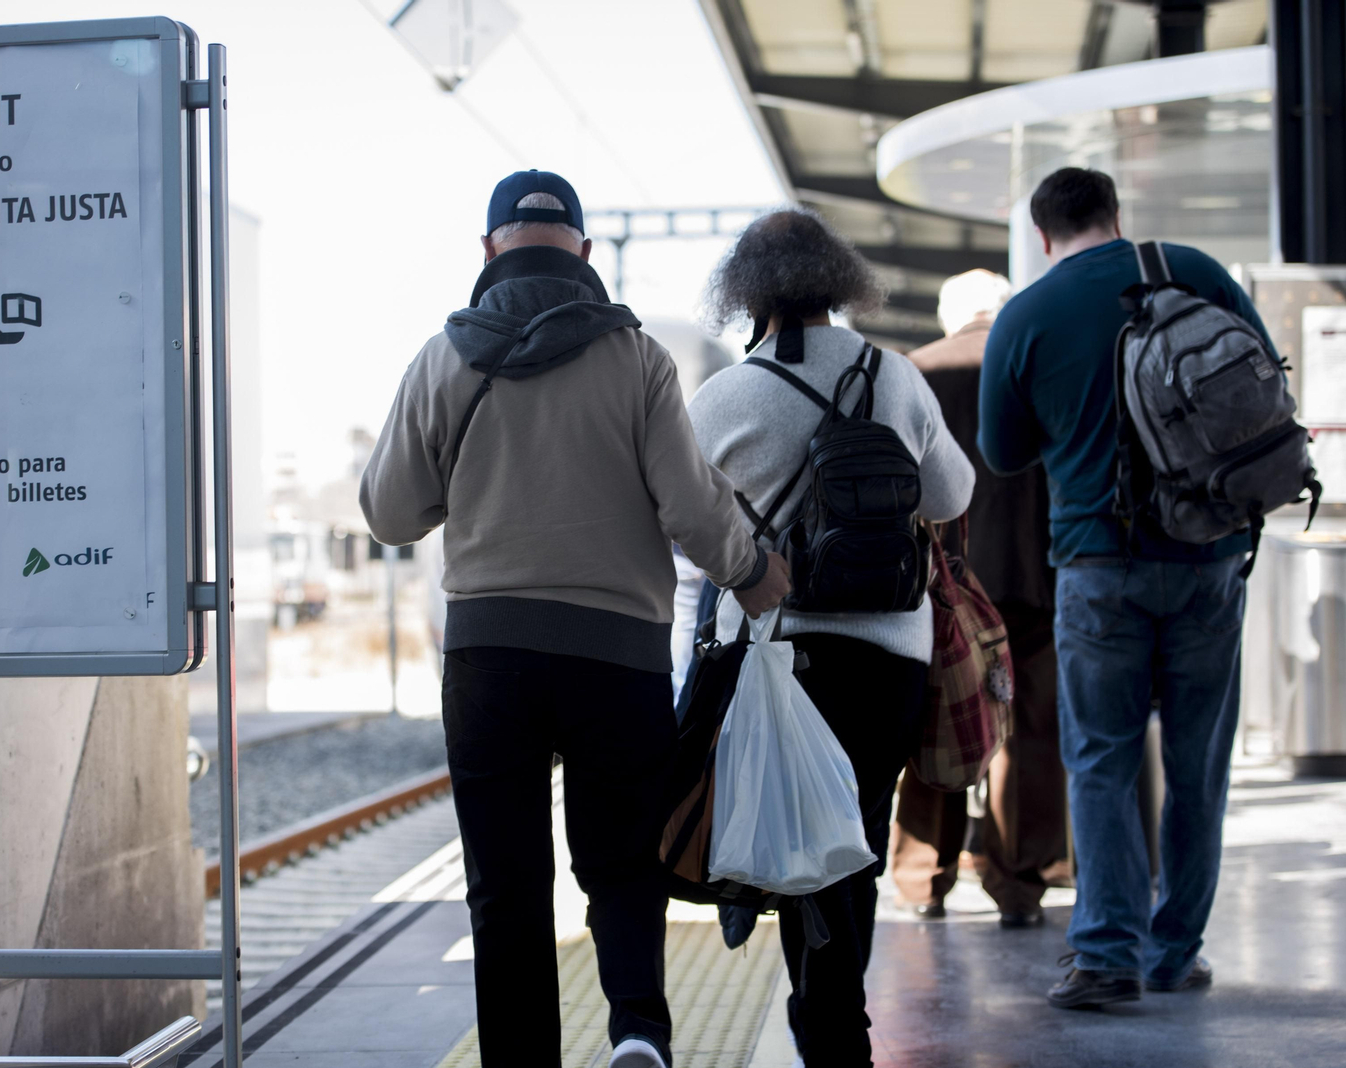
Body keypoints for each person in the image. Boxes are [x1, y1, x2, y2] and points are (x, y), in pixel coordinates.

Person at [359, 169, 791, 1068]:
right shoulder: (636, 357)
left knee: (504, 889)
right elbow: (690, 504)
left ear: (489, 251)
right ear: (585, 254)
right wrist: (753, 571)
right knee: (622, 866)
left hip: (490, 661)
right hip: (616, 660)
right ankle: (637, 1033)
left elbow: (391, 515)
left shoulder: (444, 357)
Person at [979, 167, 1272, 1009]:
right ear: (1116, 216)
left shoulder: (1026, 314)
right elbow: (1260, 390)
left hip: (1097, 562)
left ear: (1042, 236)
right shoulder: (1194, 271)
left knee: (1101, 758)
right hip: (1210, 555)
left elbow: (1003, 452)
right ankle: (1175, 952)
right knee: (1197, 763)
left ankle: (1108, 953)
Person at [687, 208, 974, 1068]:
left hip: (777, 654)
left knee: (786, 829)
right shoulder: (896, 375)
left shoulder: (724, 395)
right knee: (854, 837)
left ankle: (828, 1019)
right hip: (889, 652)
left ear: (746, 294)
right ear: (838, 279)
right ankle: (833, 1018)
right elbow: (952, 494)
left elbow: (684, 529)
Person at [889, 269, 1068, 929]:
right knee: (1032, 730)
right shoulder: (1037, 364)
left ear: (948, 315)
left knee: (940, 716)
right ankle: (1020, 883)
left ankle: (919, 879)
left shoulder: (915, 371)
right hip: (1034, 578)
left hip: (944, 584)